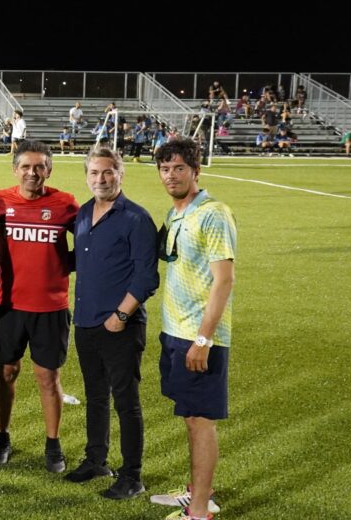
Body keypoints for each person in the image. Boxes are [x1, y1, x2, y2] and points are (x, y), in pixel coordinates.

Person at [148, 138, 237, 520]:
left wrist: (203, 339)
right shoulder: (177, 214)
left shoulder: (213, 213)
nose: (171, 175)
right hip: (176, 331)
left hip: (200, 337)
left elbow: (224, 281)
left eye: (179, 168)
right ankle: (199, 492)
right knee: (190, 415)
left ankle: (199, 511)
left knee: (200, 421)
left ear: (196, 171)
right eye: (165, 169)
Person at [66, 146, 158, 500]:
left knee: (126, 401)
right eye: (94, 173)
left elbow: (146, 277)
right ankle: (96, 460)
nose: (101, 179)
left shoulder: (136, 218)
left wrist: (121, 315)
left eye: (108, 172)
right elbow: (83, 261)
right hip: (87, 323)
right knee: (95, 397)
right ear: (87, 176)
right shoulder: (85, 212)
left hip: (120, 325)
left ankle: (132, 475)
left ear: (121, 174)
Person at [0, 140, 79, 474]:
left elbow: (86, 245)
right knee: (6, 372)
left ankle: (53, 444)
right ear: (15, 169)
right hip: (8, 304)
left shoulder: (66, 204)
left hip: (51, 306)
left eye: (39, 166)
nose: (32, 172)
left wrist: (61, 266)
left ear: (49, 169)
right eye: (25, 166)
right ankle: (2, 438)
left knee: (48, 376)